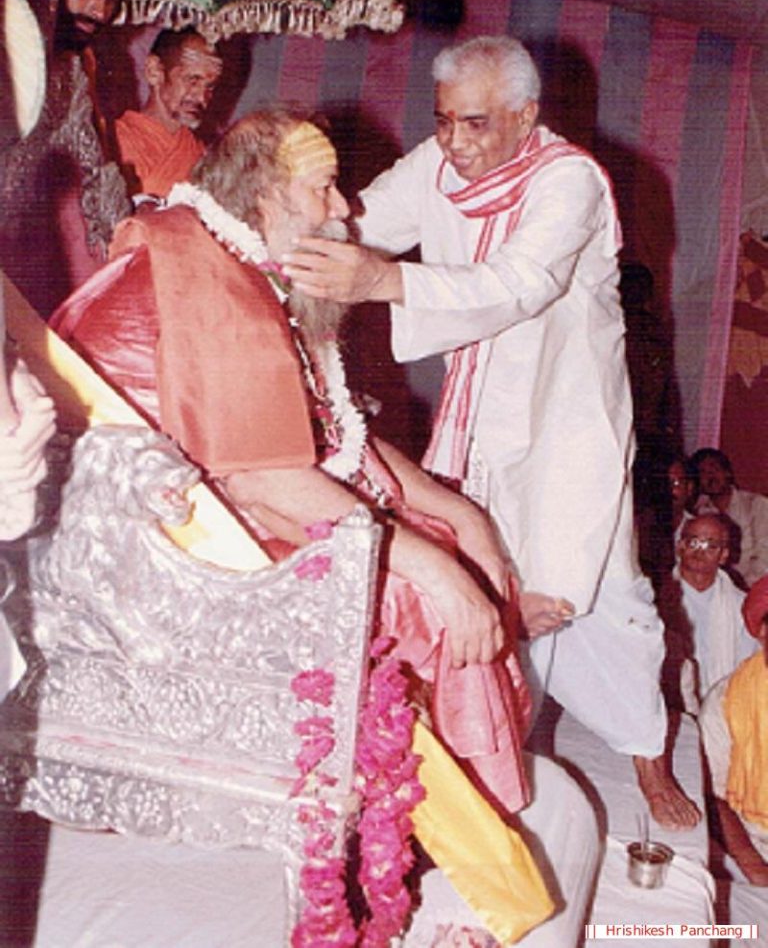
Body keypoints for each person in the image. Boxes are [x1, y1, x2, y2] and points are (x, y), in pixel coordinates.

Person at [50, 110, 536, 819]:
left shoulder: (235, 261)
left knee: (444, 535)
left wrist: (460, 512)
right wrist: (437, 570)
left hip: (214, 505)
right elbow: (263, 480)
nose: (344, 209)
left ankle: (439, 797)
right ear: (267, 197)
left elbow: (332, 431)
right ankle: (435, 818)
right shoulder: (212, 285)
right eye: (324, 188)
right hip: (157, 549)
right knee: (425, 592)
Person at [281, 34, 700, 829]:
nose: (455, 141)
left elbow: (520, 283)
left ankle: (650, 755)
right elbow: (357, 225)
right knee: (476, 573)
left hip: (568, 412)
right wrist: (275, 235)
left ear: (525, 116)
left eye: (475, 123)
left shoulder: (570, 179)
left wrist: (384, 280)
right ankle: (482, 751)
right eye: (443, 120)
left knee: (603, 593)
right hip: (475, 411)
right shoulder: (438, 166)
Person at [0, 0, 158, 315]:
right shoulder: (8, 35)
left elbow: (93, 173)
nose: (100, 10)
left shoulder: (72, 70)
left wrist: (130, 249)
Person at [699, 575, 768, 886]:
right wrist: (754, 866)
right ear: (762, 632)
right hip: (747, 844)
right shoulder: (725, 700)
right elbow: (712, 795)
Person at [658, 514, 758, 715]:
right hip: (672, 710)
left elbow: (748, 669)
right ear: (680, 546)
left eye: (710, 545)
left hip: (727, 709)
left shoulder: (741, 606)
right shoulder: (656, 600)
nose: (700, 551)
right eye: (693, 542)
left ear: (724, 555)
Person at [115, 28, 223, 200]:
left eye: (210, 87)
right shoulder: (116, 140)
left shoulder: (201, 153)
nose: (202, 98)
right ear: (154, 72)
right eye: (192, 80)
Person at [691, 447, 768, 588]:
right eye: (703, 472)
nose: (711, 476)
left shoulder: (756, 505)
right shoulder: (697, 513)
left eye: (715, 469)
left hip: (751, 587)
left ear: (728, 472)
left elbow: (765, 556)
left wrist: (739, 587)